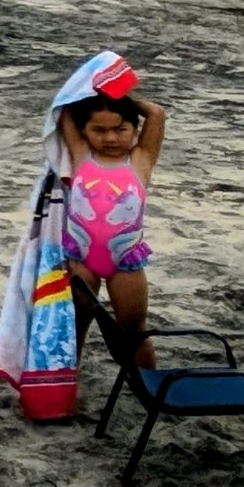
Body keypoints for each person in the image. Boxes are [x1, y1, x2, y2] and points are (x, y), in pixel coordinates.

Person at [57, 86, 167, 367]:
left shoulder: (141, 159)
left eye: (120, 129)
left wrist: (120, 98)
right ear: (84, 131)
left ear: (134, 128)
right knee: (75, 327)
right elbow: (65, 108)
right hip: (82, 257)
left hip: (124, 260)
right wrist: (93, 94)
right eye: (99, 130)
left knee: (134, 332)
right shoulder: (81, 154)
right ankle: (67, 387)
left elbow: (156, 113)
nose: (110, 138)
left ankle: (149, 393)